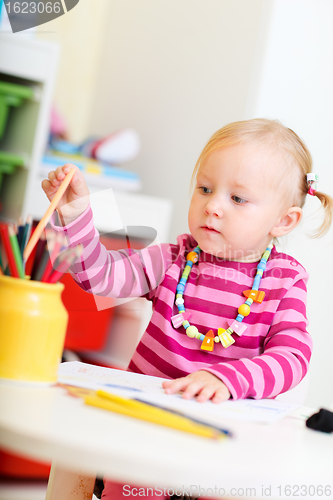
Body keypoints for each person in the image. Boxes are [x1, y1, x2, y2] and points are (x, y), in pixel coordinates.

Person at [42, 118, 333, 499]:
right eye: (205, 188)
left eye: (238, 199)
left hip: (224, 449)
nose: (212, 206)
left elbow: (293, 357)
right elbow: (98, 278)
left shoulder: (285, 281)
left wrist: (228, 380)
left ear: (283, 221)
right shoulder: (172, 260)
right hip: (144, 435)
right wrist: (76, 215)